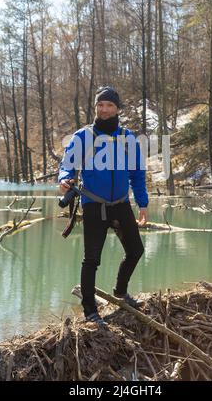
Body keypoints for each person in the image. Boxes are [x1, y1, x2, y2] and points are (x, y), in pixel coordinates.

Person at [58, 86, 148, 326]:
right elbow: (67, 165)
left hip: (120, 204)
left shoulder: (128, 138)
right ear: (95, 107)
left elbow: (137, 174)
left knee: (136, 250)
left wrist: (142, 203)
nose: (105, 109)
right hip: (93, 204)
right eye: (100, 105)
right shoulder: (83, 136)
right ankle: (90, 311)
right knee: (91, 260)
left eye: (109, 105)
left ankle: (120, 292)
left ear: (118, 109)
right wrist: (64, 179)